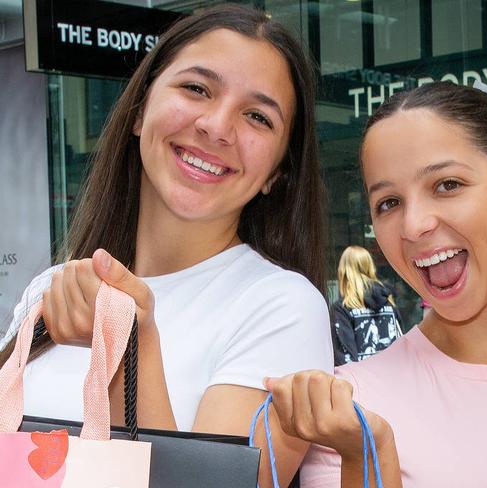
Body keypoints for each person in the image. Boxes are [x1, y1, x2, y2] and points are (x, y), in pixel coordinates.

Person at [0, 4, 333, 487]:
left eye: (257, 117)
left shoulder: (282, 306)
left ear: (278, 173)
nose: (217, 127)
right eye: (196, 89)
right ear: (139, 111)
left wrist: (133, 348)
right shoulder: (51, 288)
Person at [265, 81, 487, 487]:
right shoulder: (355, 407)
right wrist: (368, 453)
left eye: (447, 185)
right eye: (389, 203)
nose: (414, 225)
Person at [331, 245, 403, 366]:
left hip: (363, 381)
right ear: (370, 267)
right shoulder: (389, 302)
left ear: (343, 271)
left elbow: (345, 357)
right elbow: (402, 342)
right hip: (394, 375)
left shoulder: (342, 308)